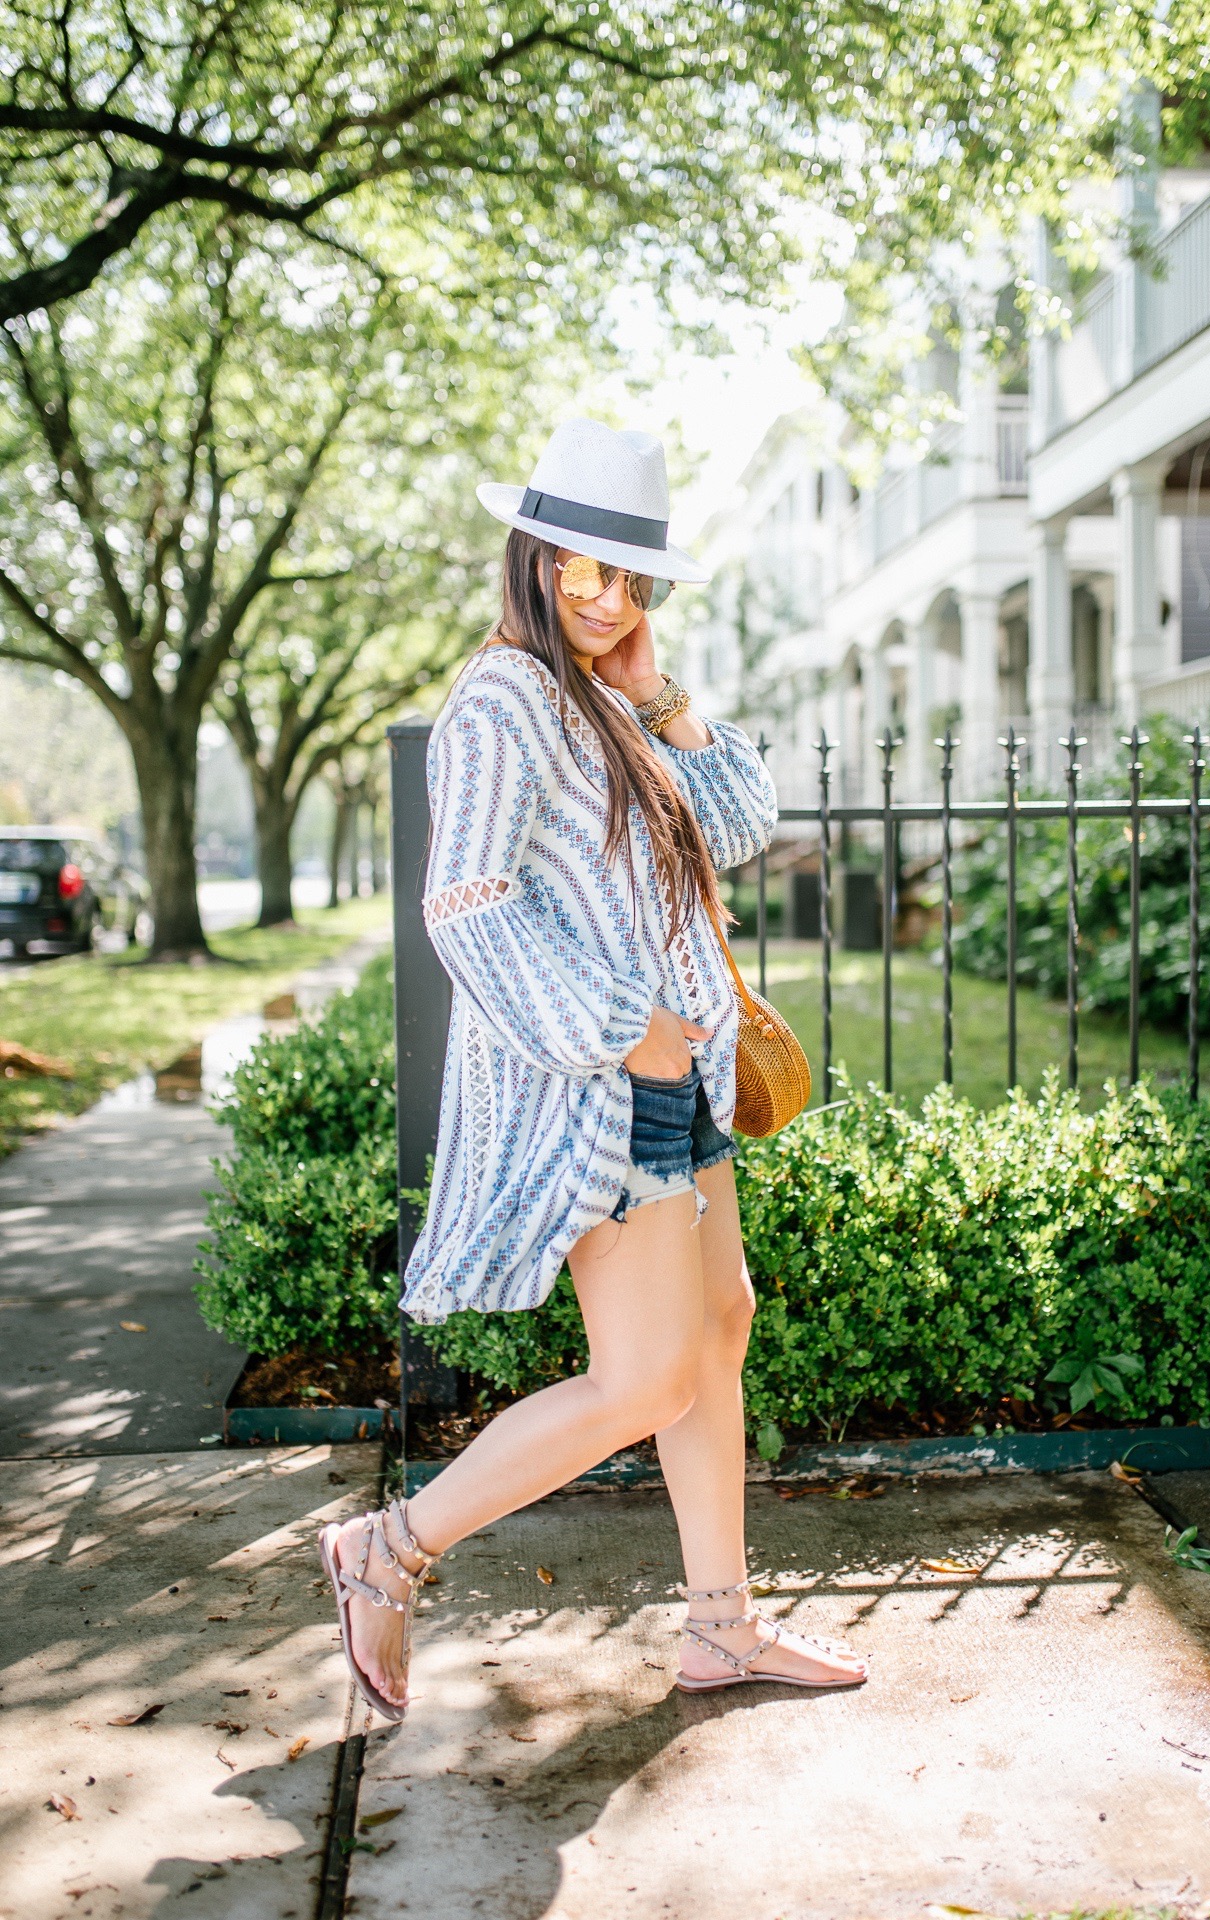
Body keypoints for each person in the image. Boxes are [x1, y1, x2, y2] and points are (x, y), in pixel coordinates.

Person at [319, 419, 869, 1720]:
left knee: (720, 1324)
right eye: (581, 568)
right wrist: (625, 1029)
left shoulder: (601, 696)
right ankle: (386, 1550)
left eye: (630, 578)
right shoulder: (501, 701)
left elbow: (738, 826)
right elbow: (464, 903)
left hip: (675, 1075)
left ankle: (722, 1629)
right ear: (531, 556)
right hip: (600, 1088)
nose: (605, 597)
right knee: (648, 1377)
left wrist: (658, 691)